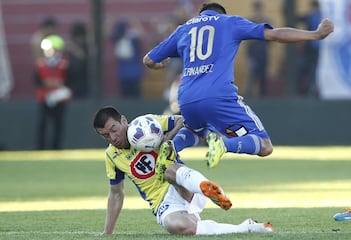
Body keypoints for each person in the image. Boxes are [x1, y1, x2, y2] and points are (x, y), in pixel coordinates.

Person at [143, 2, 334, 169]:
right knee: (264, 144)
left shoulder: (183, 30)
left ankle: (170, 149)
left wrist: (160, 65)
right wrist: (315, 35)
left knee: (195, 130)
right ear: (220, 13)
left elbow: (148, 60)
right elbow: (275, 34)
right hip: (218, 96)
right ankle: (222, 144)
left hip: (186, 100)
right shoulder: (229, 22)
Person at [92, 106, 274, 235]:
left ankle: (206, 187)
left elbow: (182, 120)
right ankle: (246, 227)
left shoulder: (146, 124)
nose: (112, 137)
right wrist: (108, 233)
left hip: (183, 184)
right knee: (181, 227)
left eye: (114, 130)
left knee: (167, 169)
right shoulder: (111, 156)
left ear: (123, 120)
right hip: (163, 204)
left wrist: (168, 139)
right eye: (105, 136)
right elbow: (116, 194)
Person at [34, 35, 72, 150]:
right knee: (43, 123)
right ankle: (40, 147)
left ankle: (56, 147)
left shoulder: (64, 64)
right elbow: (36, 80)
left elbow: (70, 80)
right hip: (44, 97)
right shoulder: (40, 64)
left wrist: (60, 84)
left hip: (60, 99)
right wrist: (47, 84)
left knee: (58, 124)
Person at [111, 17, 144, 98]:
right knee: (125, 97)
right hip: (124, 73)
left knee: (135, 97)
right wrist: (112, 23)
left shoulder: (131, 37)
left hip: (134, 71)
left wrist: (135, 22)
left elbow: (141, 34)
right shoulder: (117, 38)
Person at [244, 0, 271, 98]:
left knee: (263, 76)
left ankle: (262, 97)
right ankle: (249, 98)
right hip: (254, 52)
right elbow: (247, 42)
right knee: (252, 76)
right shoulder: (250, 21)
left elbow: (270, 39)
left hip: (263, 51)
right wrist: (249, 57)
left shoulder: (266, 21)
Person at [295, 0, 322, 97]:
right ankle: (311, 92)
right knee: (312, 71)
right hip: (314, 49)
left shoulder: (313, 16)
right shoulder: (320, 16)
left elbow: (299, 18)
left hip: (313, 49)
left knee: (311, 71)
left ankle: (310, 92)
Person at [66, 21, 89, 99]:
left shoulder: (87, 45)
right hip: (73, 78)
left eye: (80, 36)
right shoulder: (72, 44)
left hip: (85, 78)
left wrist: (74, 49)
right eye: (76, 36)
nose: (78, 39)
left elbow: (85, 57)